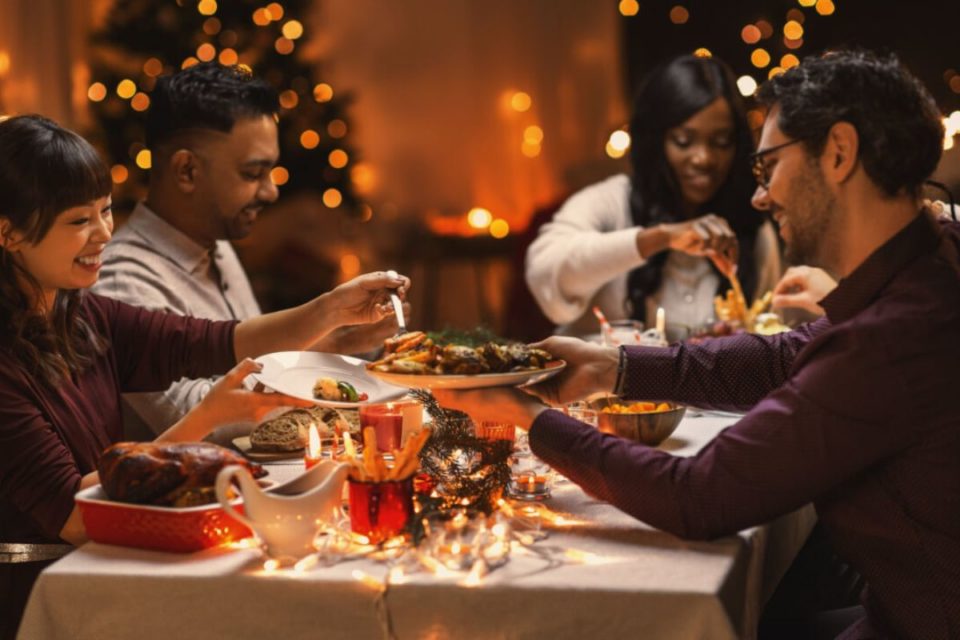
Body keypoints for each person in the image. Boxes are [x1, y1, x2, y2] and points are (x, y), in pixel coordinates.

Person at [437, 50, 959, 638]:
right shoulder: (931, 259)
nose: (760, 197)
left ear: (838, 153)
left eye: (768, 168)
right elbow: (787, 356)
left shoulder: (891, 336)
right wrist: (615, 367)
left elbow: (699, 495)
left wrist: (530, 418)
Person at [0, 114, 410, 639]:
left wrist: (331, 309)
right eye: (79, 221)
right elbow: (74, 517)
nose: (104, 233)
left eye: (105, 212)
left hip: (111, 563)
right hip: (39, 593)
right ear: (8, 232)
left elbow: (218, 341)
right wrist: (209, 417)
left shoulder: (84, 316)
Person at [92, 62, 404, 440]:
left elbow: (255, 370)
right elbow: (203, 424)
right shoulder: (120, 278)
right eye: (253, 173)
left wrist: (340, 340)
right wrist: (326, 314)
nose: (271, 191)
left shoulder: (217, 244)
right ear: (187, 170)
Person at [525, 54, 782, 337]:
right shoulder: (609, 201)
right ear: (655, 140)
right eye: (683, 141)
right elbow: (545, 276)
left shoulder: (751, 228)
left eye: (721, 142)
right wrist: (658, 238)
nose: (704, 158)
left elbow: (767, 336)